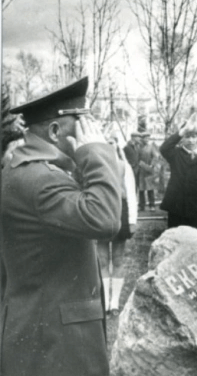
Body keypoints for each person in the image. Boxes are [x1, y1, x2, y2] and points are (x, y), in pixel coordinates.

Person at [0, 76, 123, 376]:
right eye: (83, 122)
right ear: (55, 130)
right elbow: (105, 219)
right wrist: (95, 151)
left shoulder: (29, 170)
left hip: (44, 330)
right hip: (55, 343)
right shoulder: (40, 179)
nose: (91, 131)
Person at [97, 127, 139, 316]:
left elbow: (131, 194)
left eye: (112, 142)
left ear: (116, 144)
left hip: (120, 212)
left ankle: (114, 303)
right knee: (102, 259)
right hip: (101, 212)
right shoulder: (96, 165)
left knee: (118, 259)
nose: (109, 145)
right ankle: (105, 302)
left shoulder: (124, 165)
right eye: (105, 142)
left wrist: (132, 220)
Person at [159, 113, 197, 231]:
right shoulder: (175, 154)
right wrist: (182, 130)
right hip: (176, 208)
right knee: (176, 242)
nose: (190, 140)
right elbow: (164, 148)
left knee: (196, 243)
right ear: (182, 139)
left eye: (194, 136)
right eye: (187, 136)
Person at [137, 133, 159, 211]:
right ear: (142, 139)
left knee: (150, 189)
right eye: (145, 138)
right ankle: (141, 206)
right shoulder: (138, 147)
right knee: (141, 189)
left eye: (148, 138)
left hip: (149, 170)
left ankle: (152, 205)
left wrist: (152, 165)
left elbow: (155, 157)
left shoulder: (151, 147)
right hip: (141, 171)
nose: (147, 140)